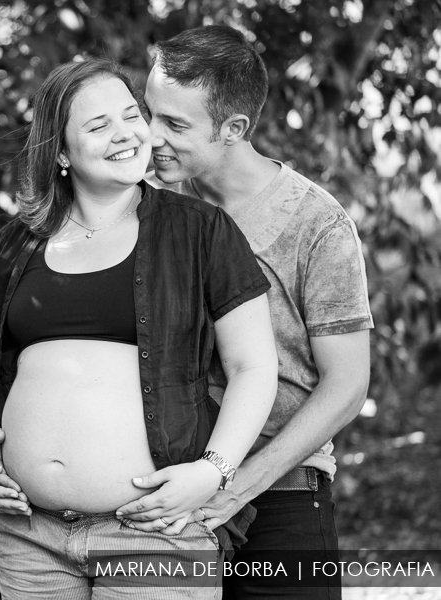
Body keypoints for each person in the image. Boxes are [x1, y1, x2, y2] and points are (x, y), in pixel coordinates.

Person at [0, 57, 278, 599]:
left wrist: (213, 472)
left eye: (131, 115)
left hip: (152, 536)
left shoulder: (199, 230)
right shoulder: (14, 246)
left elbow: (253, 367)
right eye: (98, 125)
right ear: (59, 151)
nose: (125, 133)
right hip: (28, 537)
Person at [96, 25, 373, 599]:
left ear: (235, 129)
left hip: (279, 495)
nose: (151, 136)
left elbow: (347, 384)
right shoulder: (139, 201)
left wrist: (239, 485)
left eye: (175, 125)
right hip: (155, 493)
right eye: (150, 113)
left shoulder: (315, 223)